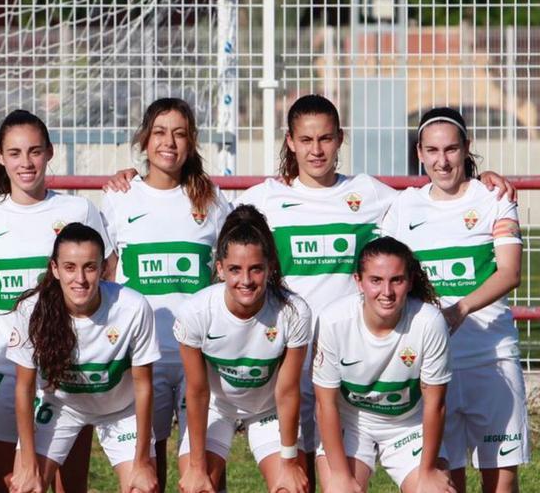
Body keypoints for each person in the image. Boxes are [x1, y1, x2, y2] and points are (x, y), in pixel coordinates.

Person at [104, 93, 514, 489]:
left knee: (334, 470)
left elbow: (439, 200)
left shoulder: (372, 195)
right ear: (290, 142)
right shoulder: (263, 199)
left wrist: (480, 183)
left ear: (340, 139)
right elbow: (228, 251)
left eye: (325, 139)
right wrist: (132, 178)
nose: (316, 150)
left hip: (352, 362)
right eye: (305, 139)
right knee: (297, 474)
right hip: (288, 360)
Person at [382, 107, 527, 493]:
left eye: (450, 150)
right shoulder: (403, 206)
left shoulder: (493, 197)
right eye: (432, 150)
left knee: (501, 484)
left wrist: (459, 309)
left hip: (490, 357)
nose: (441, 161)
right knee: (445, 482)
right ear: (419, 152)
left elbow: (510, 273)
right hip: (432, 368)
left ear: (466, 149)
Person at [0, 109, 111, 492]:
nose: (25, 162)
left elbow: (105, 272)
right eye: (14, 153)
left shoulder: (77, 210)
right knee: (9, 483)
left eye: (34, 151)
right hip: (1, 367)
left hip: (64, 370)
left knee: (70, 485)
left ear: (50, 152)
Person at [99, 97, 231, 490]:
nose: (168, 142)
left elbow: (223, 275)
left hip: (198, 358)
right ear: (144, 139)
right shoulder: (120, 198)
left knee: (203, 475)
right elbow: (106, 275)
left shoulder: (213, 200)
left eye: (179, 133)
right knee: (146, 475)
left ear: (191, 142)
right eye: (159, 132)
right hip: (143, 360)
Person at [7, 223, 160, 493]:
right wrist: (29, 466)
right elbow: (23, 387)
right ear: (54, 269)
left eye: (90, 267)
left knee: (141, 489)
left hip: (121, 410)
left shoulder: (134, 307)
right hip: (61, 406)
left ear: (103, 269)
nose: (80, 278)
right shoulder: (31, 309)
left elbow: (143, 385)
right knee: (26, 488)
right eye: (69, 267)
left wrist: (143, 460)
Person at [174, 204, 309, 493]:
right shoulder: (195, 311)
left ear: (269, 267)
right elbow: (197, 392)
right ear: (220, 269)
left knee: (291, 488)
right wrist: (198, 468)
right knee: (197, 487)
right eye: (235, 269)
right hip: (214, 405)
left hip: (267, 408)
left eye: (256, 269)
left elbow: (287, 392)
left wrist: (289, 462)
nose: (246, 281)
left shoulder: (294, 311)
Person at [313, 236, 453, 493]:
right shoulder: (333, 321)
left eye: (396, 280)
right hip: (351, 423)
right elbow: (325, 405)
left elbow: (436, 404)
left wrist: (428, 471)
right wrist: (342, 477)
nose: (386, 292)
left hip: (408, 426)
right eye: (375, 280)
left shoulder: (429, 322)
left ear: (410, 281)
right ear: (358, 281)